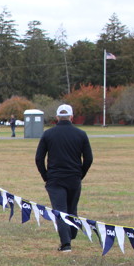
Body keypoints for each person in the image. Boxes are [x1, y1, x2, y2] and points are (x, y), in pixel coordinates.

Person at [35, 104, 93, 253]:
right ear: (71, 117)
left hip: (55, 178)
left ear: (57, 117)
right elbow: (88, 159)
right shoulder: (81, 134)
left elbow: (39, 158)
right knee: (72, 208)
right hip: (74, 178)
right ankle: (71, 234)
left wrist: (46, 176)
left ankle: (66, 243)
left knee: (60, 210)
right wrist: (80, 174)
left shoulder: (48, 134)